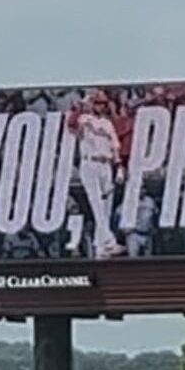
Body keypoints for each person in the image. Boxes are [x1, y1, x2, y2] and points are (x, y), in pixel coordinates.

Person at [67, 90, 124, 259]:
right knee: (97, 204)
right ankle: (109, 242)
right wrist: (80, 107)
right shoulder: (84, 119)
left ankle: (100, 248)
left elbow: (115, 146)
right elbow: (70, 125)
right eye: (98, 103)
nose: (101, 106)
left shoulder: (107, 123)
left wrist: (119, 166)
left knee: (106, 208)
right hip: (89, 162)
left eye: (103, 103)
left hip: (106, 164)